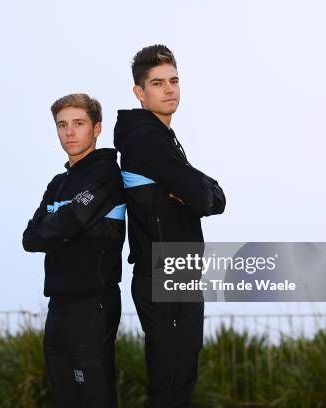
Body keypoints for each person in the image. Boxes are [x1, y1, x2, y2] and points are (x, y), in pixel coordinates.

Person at [113, 44, 226, 407]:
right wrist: (194, 191)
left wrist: (196, 191)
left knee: (180, 381)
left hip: (179, 268)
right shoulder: (144, 139)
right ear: (139, 92)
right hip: (163, 270)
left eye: (174, 81)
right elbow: (200, 195)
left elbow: (215, 197)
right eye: (158, 83)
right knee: (171, 385)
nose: (169, 89)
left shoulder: (164, 140)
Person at [22, 93, 125, 407]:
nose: (69, 132)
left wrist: (59, 229)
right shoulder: (58, 183)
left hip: (92, 301)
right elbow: (30, 238)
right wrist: (62, 228)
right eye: (62, 125)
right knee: (63, 395)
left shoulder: (106, 174)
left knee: (93, 396)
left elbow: (72, 220)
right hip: (59, 304)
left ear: (96, 129)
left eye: (78, 124)